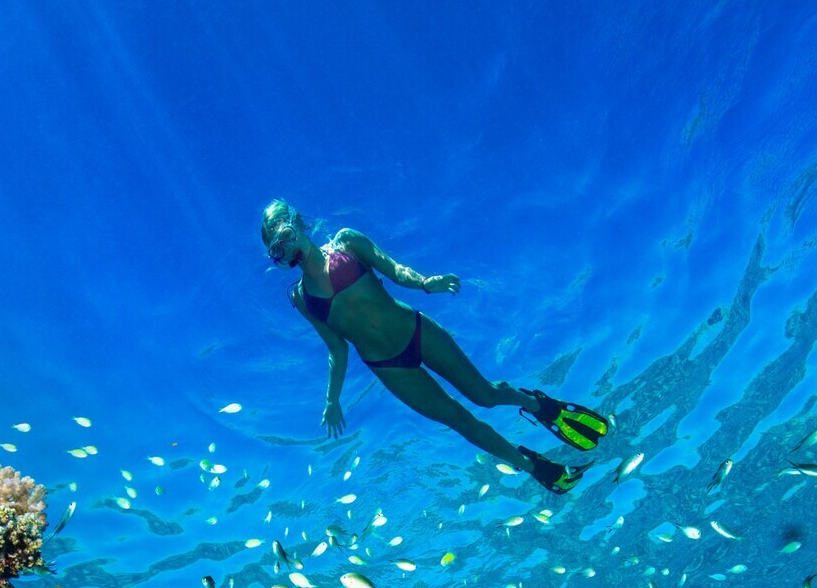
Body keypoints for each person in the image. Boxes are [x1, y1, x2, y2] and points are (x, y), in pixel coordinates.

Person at [260, 199, 608, 492]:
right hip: (389, 367)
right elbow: (336, 348)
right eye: (278, 249)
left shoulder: (346, 243)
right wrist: (332, 399)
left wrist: (426, 283)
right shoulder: (302, 297)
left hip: (416, 330)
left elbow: (394, 269)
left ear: (298, 223)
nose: (289, 248)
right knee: (460, 421)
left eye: (287, 236)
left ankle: (536, 404)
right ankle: (529, 464)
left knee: (484, 395)